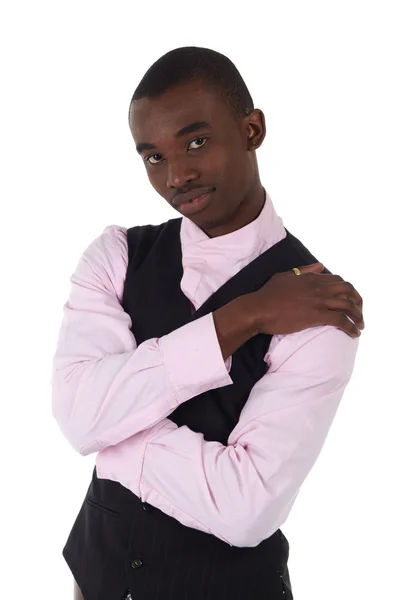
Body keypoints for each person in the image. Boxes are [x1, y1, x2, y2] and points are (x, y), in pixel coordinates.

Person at [52, 46, 364, 600]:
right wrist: (245, 316)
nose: (178, 175)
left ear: (251, 130)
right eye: (153, 157)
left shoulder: (320, 306)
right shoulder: (115, 256)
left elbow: (246, 507)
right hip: (94, 579)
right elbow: (77, 416)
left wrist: (115, 433)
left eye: (197, 141)